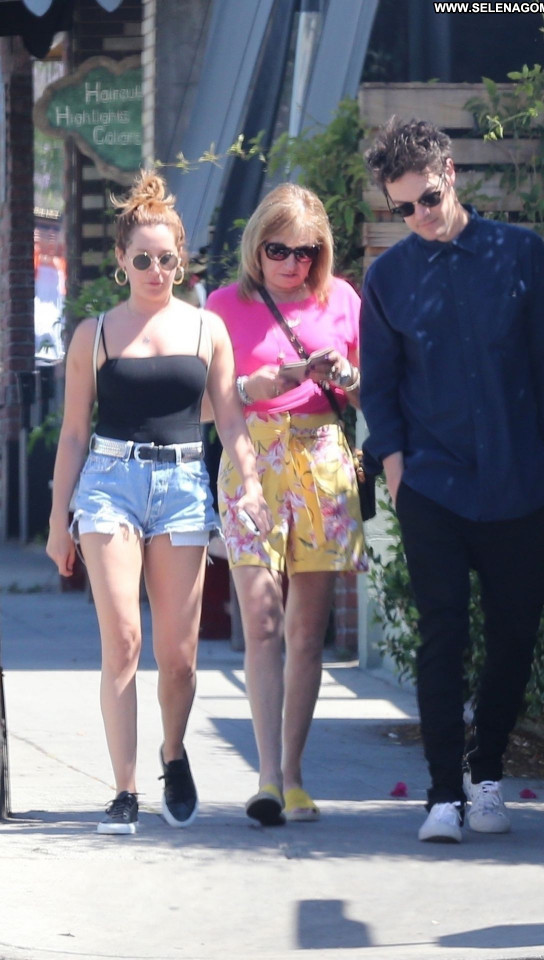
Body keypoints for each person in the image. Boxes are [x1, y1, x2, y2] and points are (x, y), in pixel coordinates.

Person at [360, 118, 544, 844]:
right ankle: (442, 796)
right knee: (442, 637)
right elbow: (380, 388)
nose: (419, 216)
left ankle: (486, 774)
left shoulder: (519, 253)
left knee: (513, 636)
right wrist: (397, 471)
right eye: (402, 208)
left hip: (522, 482)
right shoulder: (386, 278)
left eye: (427, 198)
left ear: (450, 174)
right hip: (433, 487)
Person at [46, 171, 270, 835]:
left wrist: (252, 483)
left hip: (181, 489)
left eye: (166, 259)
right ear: (121, 261)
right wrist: (58, 521)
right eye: (142, 260)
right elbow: (72, 434)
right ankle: (124, 788)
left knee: (178, 656)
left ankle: (173, 753)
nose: (155, 271)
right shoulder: (94, 335)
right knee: (123, 638)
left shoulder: (207, 330)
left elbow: (231, 419)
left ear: (182, 260)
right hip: (108, 484)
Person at [206, 183, 367, 826]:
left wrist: (346, 377)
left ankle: (295, 775)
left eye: (306, 252)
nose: (292, 264)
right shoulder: (222, 306)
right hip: (252, 459)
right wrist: (255, 385)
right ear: (257, 245)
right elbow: (204, 405)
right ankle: (267, 778)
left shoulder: (343, 299)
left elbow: (373, 394)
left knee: (306, 632)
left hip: (322, 460)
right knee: (262, 622)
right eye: (279, 249)